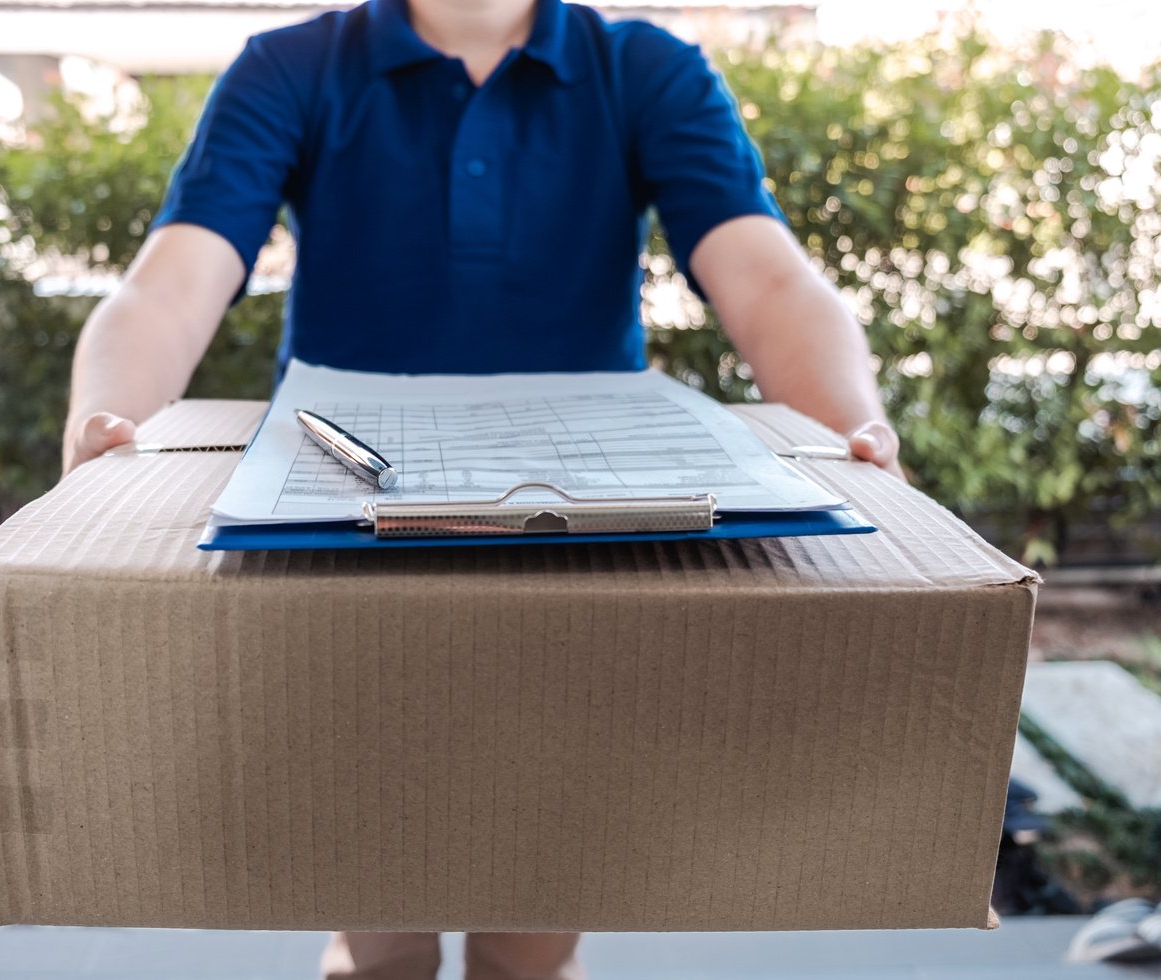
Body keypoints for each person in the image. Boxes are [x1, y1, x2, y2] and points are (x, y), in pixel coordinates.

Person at [62, 0, 901, 975]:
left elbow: (765, 279)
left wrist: (848, 423)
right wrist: (106, 423)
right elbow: (169, 283)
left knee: (530, 941)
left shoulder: (641, 68)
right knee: (377, 939)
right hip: (343, 556)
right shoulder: (292, 66)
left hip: (584, 557)